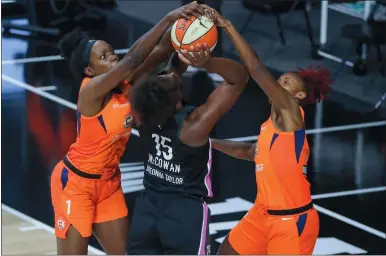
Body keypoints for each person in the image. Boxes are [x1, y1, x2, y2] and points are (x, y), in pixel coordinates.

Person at [50, 2, 206, 254]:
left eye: (111, 51)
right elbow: (134, 56)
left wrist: (188, 27)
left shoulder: (125, 84)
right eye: (103, 56)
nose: (112, 56)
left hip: (109, 183)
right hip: (76, 184)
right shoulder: (89, 92)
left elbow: (161, 48)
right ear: (90, 71)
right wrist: (167, 17)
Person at [203, 8, 333, 255]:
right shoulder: (269, 125)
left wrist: (228, 27)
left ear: (299, 96)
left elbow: (255, 67)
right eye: (279, 80)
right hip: (261, 214)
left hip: (291, 222)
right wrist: (209, 143)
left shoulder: (292, 117)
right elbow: (252, 151)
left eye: (285, 83)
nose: (277, 85)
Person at [127, 35, 249, 253]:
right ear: (176, 102)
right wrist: (207, 62)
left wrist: (182, 47)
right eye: (174, 82)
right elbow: (238, 79)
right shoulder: (193, 126)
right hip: (183, 213)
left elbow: (162, 70)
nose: (174, 75)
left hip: (147, 207)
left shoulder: (140, 113)